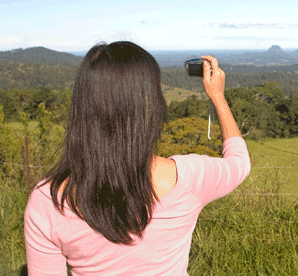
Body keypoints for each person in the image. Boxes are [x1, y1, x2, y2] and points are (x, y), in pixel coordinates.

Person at [23, 41, 250, 276]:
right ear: (152, 108)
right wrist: (218, 98)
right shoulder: (189, 177)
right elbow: (240, 161)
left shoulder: (49, 200)